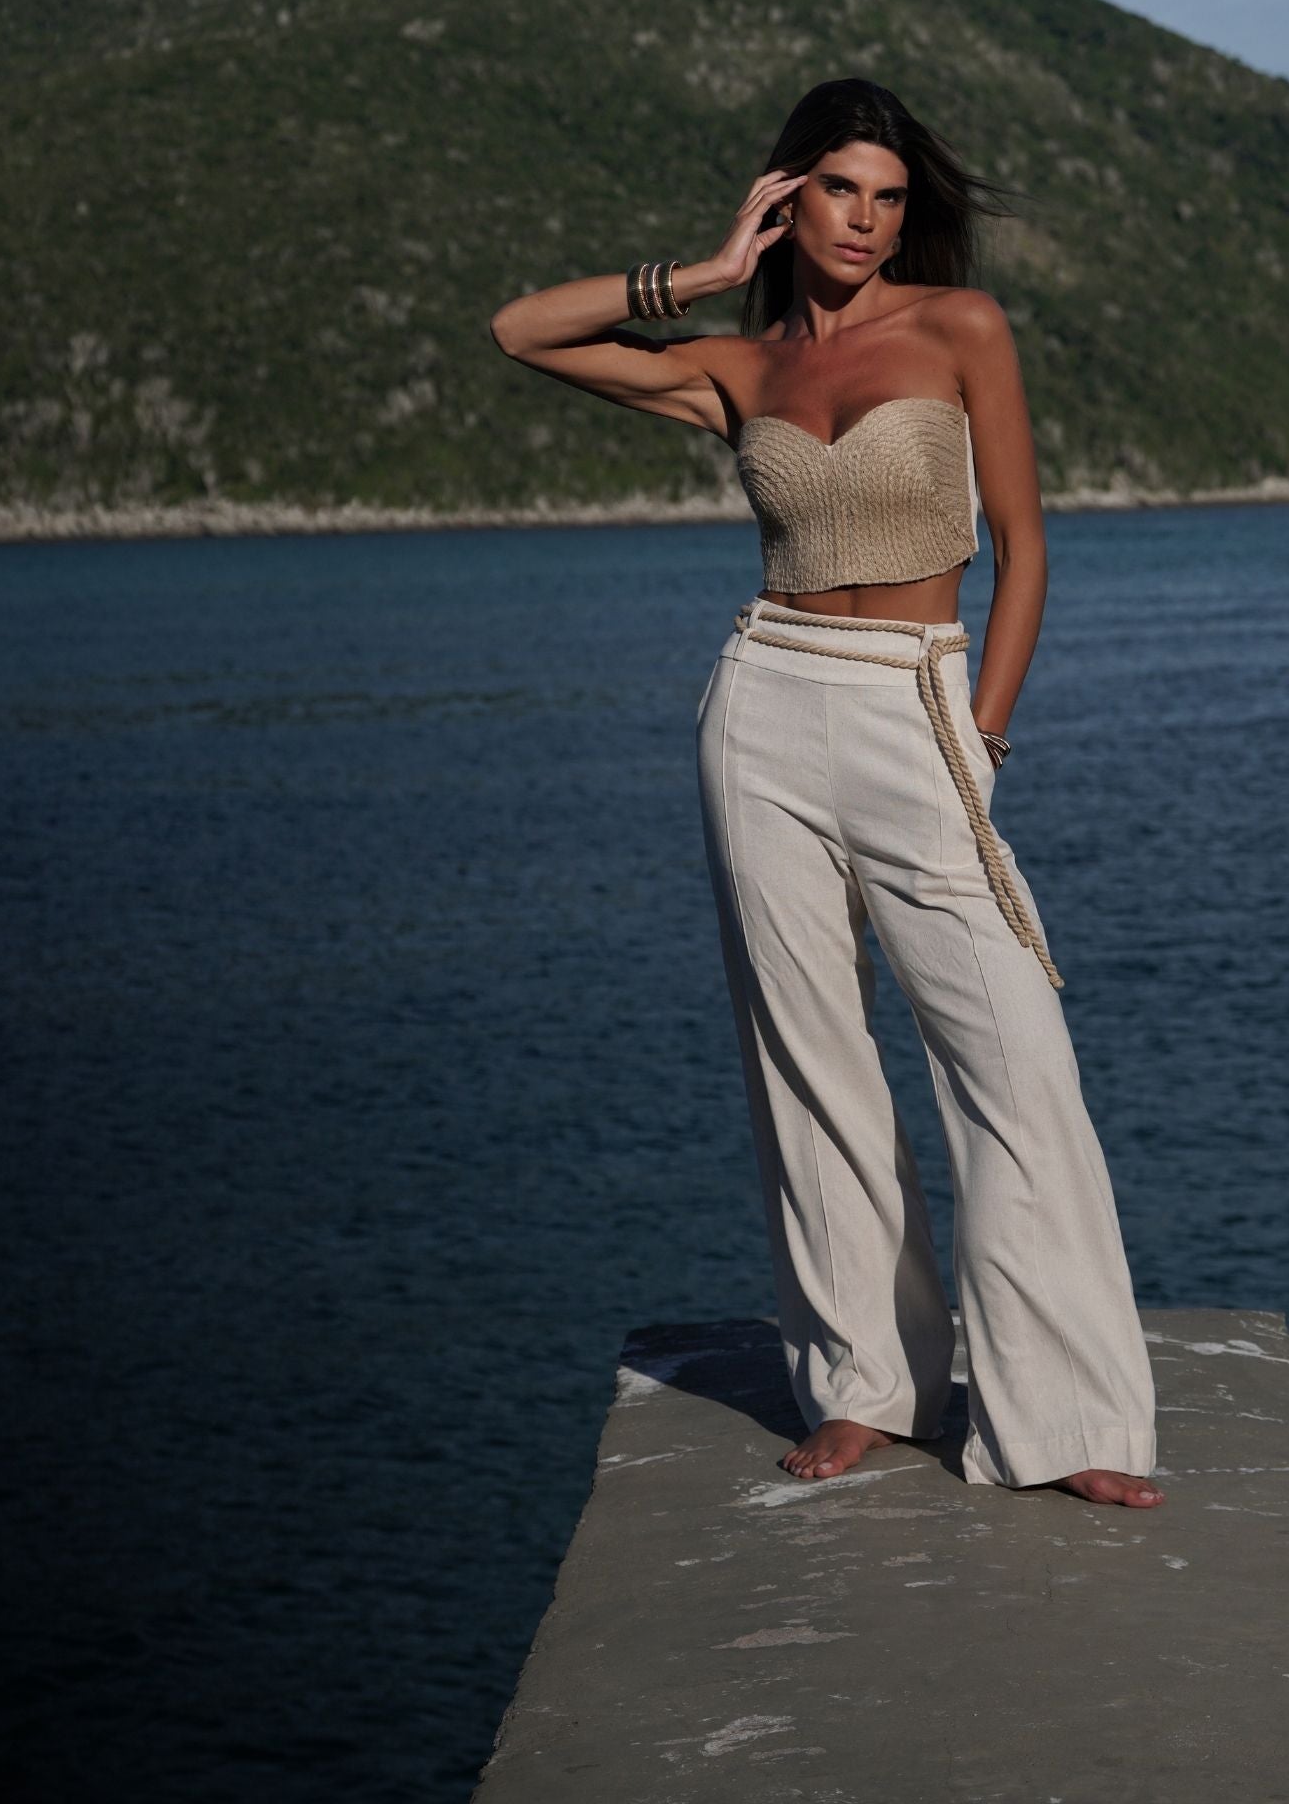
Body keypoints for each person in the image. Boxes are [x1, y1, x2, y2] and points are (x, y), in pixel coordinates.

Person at [490, 77, 1164, 1510]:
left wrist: (980, 740)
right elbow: (520, 331)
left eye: (889, 198)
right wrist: (700, 274)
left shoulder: (961, 327)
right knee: (807, 1057)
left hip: (920, 704)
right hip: (764, 708)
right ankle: (866, 1382)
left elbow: (1026, 549)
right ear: (789, 195)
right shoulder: (732, 364)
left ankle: (1066, 1416)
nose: (865, 221)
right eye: (840, 190)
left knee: (1013, 1053)